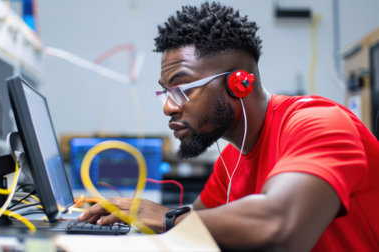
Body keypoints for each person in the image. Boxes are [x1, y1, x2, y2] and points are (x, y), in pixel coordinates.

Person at [79, 2, 379, 251]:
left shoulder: (320, 123)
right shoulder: (232, 160)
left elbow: (280, 225)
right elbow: (199, 226)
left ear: (240, 83)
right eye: (166, 93)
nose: (169, 107)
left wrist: (167, 218)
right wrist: (134, 217)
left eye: (182, 89)